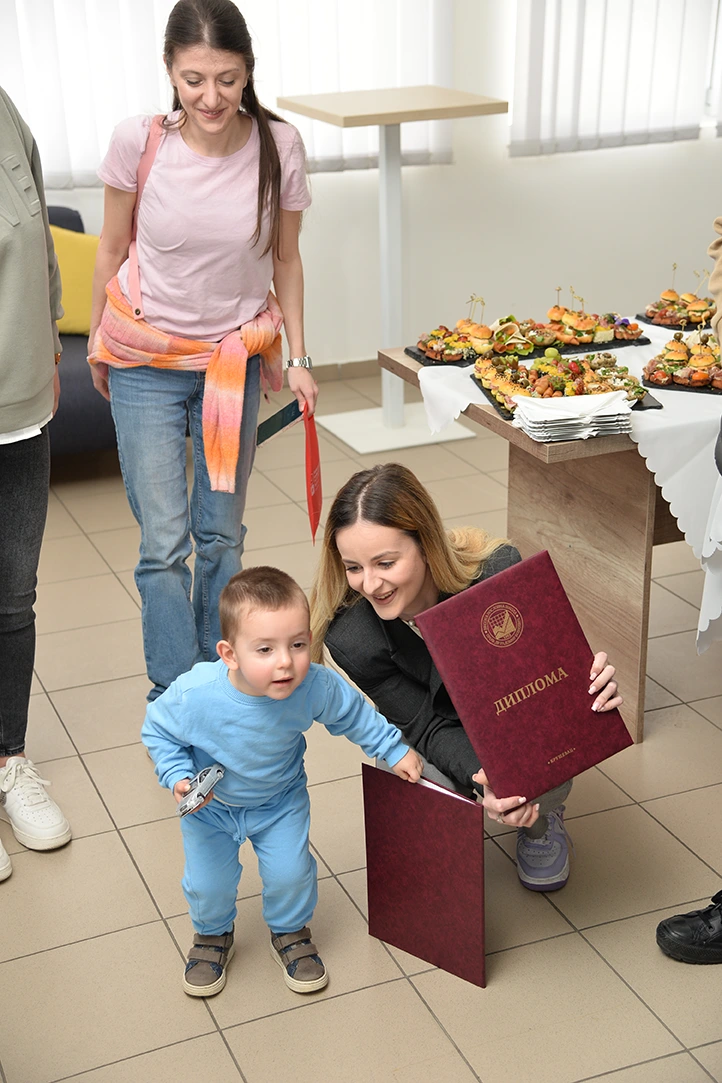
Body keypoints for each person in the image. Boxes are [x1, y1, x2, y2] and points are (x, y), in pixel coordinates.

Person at [88, 0, 318, 701]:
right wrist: (99, 340)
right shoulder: (140, 142)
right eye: (193, 80)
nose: (211, 97)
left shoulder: (279, 146)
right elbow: (112, 247)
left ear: (248, 71)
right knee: (163, 543)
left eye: (227, 79)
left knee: (220, 536)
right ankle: (175, 690)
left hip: (231, 362)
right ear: (169, 70)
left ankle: (217, 677)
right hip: (145, 360)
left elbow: (286, 260)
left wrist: (299, 358)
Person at [310, 463, 623, 892]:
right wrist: (486, 778)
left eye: (385, 563)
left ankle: (542, 821)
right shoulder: (352, 636)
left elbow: (540, 686)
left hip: (508, 718)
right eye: (353, 567)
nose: (370, 584)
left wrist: (586, 686)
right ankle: (452, 832)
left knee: (542, 763)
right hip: (440, 725)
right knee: (405, 772)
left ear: (425, 543)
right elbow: (424, 724)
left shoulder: (495, 571)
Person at [142, 566, 422, 996]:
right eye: (265, 649)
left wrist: (393, 748)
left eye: (297, 644)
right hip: (212, 810)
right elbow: (158, 731)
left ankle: (290, 930)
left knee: (291, 875)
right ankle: (212, 934)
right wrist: (177, 775)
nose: (285, 662)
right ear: (230, 654)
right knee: (207, 884)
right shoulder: (194, 695)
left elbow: (353, 714)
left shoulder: (312, 685)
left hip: (280, 802)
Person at [0, 87, 71, 879]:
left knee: (12, 598)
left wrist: (51, 337)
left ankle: (8, 759)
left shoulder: (4, 109)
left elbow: (40, 235)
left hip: (19, 401)